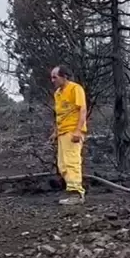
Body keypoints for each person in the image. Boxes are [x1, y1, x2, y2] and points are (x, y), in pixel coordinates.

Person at [49, 65, 87, 205]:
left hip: (72, 131)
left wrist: (78, 131)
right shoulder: (58, 93)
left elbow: (82, 110)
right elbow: (60, 114)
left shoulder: (75, 89)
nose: (52, 80)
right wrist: (56, 132)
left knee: (72, 162)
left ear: (64, 76)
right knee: (63, 164)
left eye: (55, 77)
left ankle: (76, 194)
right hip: (62, 132)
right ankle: (71, 191)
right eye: (51, 77)